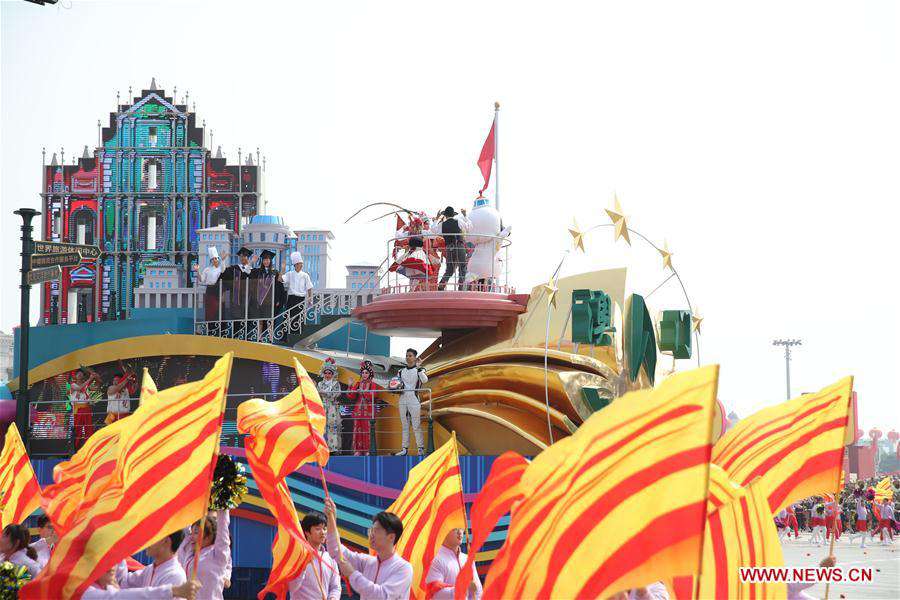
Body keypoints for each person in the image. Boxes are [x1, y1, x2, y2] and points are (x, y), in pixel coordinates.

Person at [323, 497, 412, 600]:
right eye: (371, 530)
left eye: (376, 530)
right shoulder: (367, 562)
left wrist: (352, 574)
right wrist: (331, 519)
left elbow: (381, 596)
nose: (371, 535)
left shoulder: (403, 568)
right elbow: (335, 550)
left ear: (391, 537)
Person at [116, 530, 189, 597]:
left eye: (152, 536)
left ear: (166, 541)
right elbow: (123, 582)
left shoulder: (175, 576)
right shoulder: (150, 569)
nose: (147, 541)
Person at [176, 510, 231, 600]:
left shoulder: (218, 554)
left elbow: (223, 531)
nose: (191, 537)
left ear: (209, 536)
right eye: (191, 533)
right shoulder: (188, 551)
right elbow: (184, 523)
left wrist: (223, 505)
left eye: (196, 532)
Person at [288, 511, 341, 600]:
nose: (323, 532)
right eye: (317, 529)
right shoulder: (298, 556)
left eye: (324, 528)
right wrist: (303, 566)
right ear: (307, 532)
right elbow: (292, 587)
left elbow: (336, 587)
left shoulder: (330, 558)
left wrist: (333, 598)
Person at [82, 564, 200, 599]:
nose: (112, 566)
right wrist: (174, 590)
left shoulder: (176, 574)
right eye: (105, 561)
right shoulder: (85, 591)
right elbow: (119, 597)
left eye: (115, 560)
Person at [424, 528, 481, 600]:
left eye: (461, 528)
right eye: (455, 528)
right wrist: (463, 588)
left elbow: (478, 592)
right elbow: (435, 594)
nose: (460, 532)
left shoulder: (468, 559)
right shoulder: (435, 559)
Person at [394, 349, 427, 457]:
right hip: (402, 399)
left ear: (415, 357)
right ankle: (404, 449)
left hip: (414, 398)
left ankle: (420, 449)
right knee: (404, 425)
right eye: (407, 355)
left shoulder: (420, 370)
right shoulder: (400, 371)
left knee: (416, 425)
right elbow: (395, 384)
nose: (408, 357)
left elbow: (425, 380)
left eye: (410, 355)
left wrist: (419, 369)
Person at [430, 206, 472, 291]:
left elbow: (433, 230)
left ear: (445, 215)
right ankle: (461, 287)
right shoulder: (459, 221)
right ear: (453, 214)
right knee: (462, 267)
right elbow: (469, 227)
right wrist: (465, 216)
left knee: (449, 268)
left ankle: (441, 285)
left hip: (449, 247)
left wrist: (436, 219)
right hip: (459, 246)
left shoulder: (442, 224)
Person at [346, 361, 378, 456]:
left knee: (368, 431)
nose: (364, 375)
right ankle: (358, 450)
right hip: (358, 412)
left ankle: (368, 450)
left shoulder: (373, 384)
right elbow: (350, 396)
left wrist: (363, 392)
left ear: (370, 374)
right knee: (358, 431)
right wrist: (350, 385)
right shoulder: (358, 384)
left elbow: (374, 395)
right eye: (363, 373)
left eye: (366, 373)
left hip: (368, 411)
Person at [282, 252, 314, 333]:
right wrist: (282, 269)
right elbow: (280, 279)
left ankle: (298, 335)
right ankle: (286, 337)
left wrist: (310, 299)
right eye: (300, 264)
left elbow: (309, 288)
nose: (301, 265)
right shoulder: (289, 274)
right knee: (289, 317)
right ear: (295, 265)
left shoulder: (305, 275)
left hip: (301, 299)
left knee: (299, 318)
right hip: (291, 299)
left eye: (301, 264)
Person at [220, 247, 253, 322]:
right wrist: (223, 260)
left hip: (247, 299)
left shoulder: (252, 270)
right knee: (236, 319)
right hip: (235, 299)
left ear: (248, 257)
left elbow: (247, 274)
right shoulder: (234, 268)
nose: (242, 258)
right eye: (241, 256)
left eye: (244, 256)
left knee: (246, 320)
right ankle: (235, 333)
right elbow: (223, 272)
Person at [249, 250, 285, 320]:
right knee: (260, 320)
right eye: (264, 260)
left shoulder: (275, 272)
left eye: (268, 259)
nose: (266, 261)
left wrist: (278, 300)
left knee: (271, 319)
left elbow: (279, 287)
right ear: (262, 261)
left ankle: (270, 331)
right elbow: (248, 273)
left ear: (270, 261)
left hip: (271, 300)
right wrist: (252, 262)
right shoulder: (257, 271)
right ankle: (260, 331)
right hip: (260, 300)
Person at [70, 368, 100, 450]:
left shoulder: (86, 385)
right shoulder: (73, 385)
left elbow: (96, 388)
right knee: (78, 430)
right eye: (78, 374)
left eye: (81, 374)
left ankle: (89, 448)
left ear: (83, 376)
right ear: (75, 376)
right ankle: (75, 449)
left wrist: (96, 378)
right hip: (78, 410)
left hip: (87, 409)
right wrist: (90, 379)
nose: (79, 375)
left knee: (89, 429)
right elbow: (79, 388)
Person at [317, 359, 343, 453]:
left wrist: (324, 393)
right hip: (323, 407)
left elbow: (335, 395)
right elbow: (318, 393)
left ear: (333, 374)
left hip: (332, 407)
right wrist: (325, 394)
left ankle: (333, 448)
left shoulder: (336, 384)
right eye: (326, 373)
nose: (327, 375)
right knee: (322, 427)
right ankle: (323, 448)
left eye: (329, 373)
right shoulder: (320, 384)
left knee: (333, 427)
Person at [192, 247, 224, 324]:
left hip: (218, 289)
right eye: (213, 259)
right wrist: (197, 271)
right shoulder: (207, 269)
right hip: (210, 289)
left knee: (219, 308)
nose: (215, 260)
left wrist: (223, 260)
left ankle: (219, 325)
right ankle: (209, 325)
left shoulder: (220, 269)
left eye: (216, 258)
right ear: (211, 260)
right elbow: (201, 279)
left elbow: (223, 272)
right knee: (210, 309)